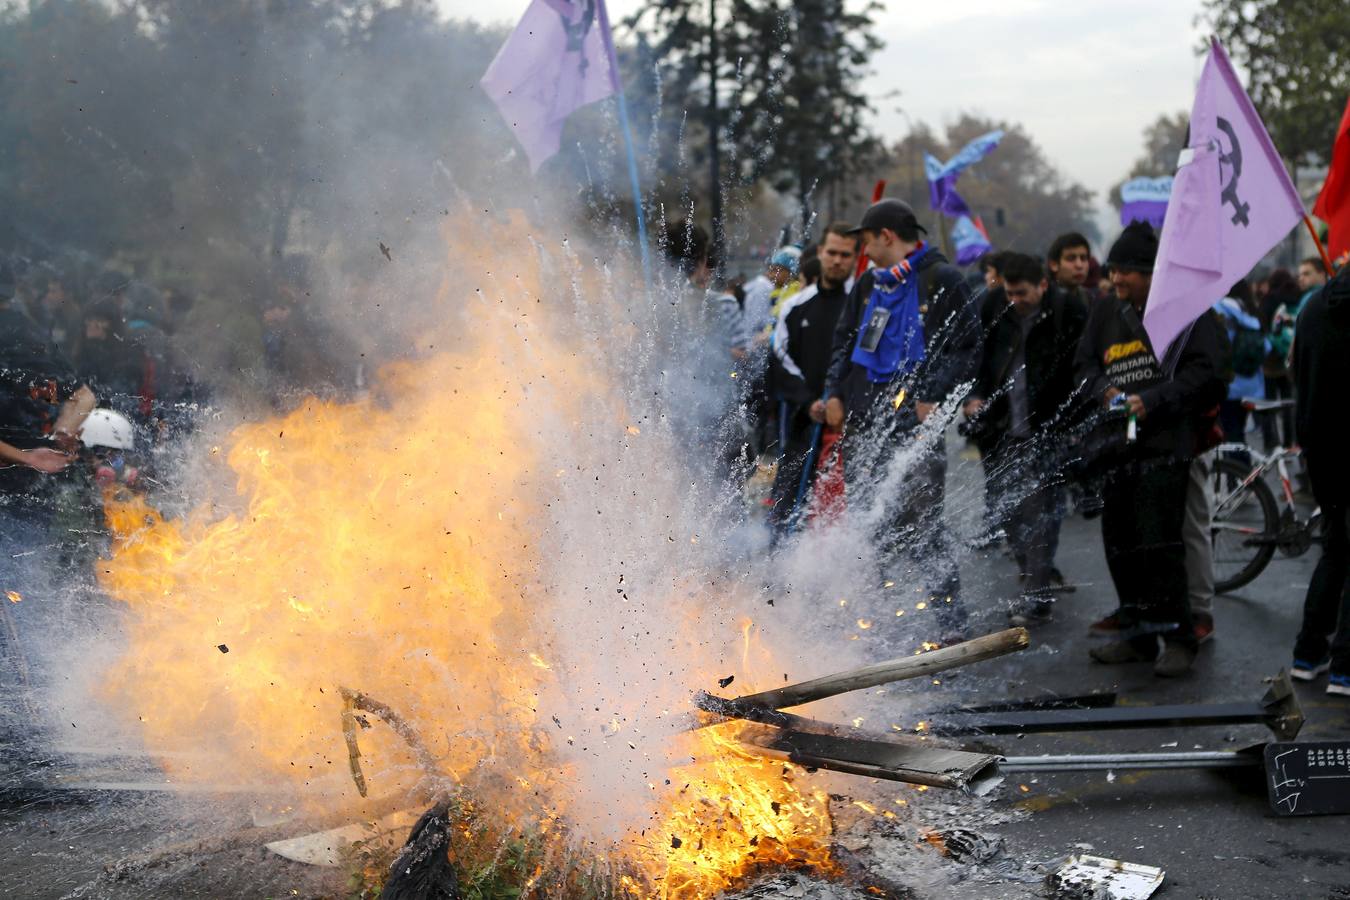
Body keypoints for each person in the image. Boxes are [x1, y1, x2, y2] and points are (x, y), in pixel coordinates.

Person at [813, 199, 982, 640]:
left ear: (886, 236)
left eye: (867, 242)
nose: (864, 252)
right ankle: (874, 628)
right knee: (869, 530)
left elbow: (970, 347)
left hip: (914, 430)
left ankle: (953, 628)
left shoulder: (942, 279)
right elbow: (844, 341)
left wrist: (933, 393)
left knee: (925, 528)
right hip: (863, 424)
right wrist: (834, 391)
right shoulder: (869, 283)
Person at [1074, 222, 1225, 677]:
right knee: (1121, 544)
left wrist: (1153, 399)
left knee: (1160, 546)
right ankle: (1137, 637)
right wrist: (1102, 390)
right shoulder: (1106, 310)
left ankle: (1179, 639)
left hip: (1164, 446)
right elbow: (1083, 364)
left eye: (1126, 271)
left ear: (1150, 274)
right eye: (1114, 269)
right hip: (1116, 447)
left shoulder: (1186, 310)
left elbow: (1210, 372)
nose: (1116, 278)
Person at [963, 252, 1087, 624]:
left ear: (1042, 285)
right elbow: (980, 358)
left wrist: (1075, 424)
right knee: (1008, 512)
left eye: (1022, 293)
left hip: (1048, 430)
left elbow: (1081, 369)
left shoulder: (1067, 311)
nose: (1015, 301)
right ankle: (1036, 576)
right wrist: (975, 396)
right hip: (1003, 429)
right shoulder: (993, 306)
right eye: (1010, 293)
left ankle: (1036, 597)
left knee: (1040, 515)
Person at [767, 225, 857, 532]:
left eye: (845, 254)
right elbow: (780, 360)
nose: (837, 260)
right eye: (831, 253)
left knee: (845, 512)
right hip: (804, 422)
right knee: (790, 507)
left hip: (849, 426)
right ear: (820, 253)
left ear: (855, 257)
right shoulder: (795, 306)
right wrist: (809, 402)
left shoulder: (863, 306)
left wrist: (840, 398)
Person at [1288, 264, 1350, 694]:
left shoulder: (1312, 307)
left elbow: (1298, 373)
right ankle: (1345, 665)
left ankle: (1308, 652)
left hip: (1322, 450)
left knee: (1335, 547)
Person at [1258, 268, 1299, 448]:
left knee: (1268, 403)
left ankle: (1270, 441)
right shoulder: (1295, 298)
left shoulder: (1268, 300)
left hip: (1269, 360)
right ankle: (1289, 441)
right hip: (1287, 357)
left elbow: (1262, 326)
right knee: (1287, 402)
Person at [1046, 232, 1092, 304]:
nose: (1079, 265)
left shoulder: (1090, 299)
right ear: (1054, 265)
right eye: (1071, 258)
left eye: (1083, 258)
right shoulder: (1042, 298)